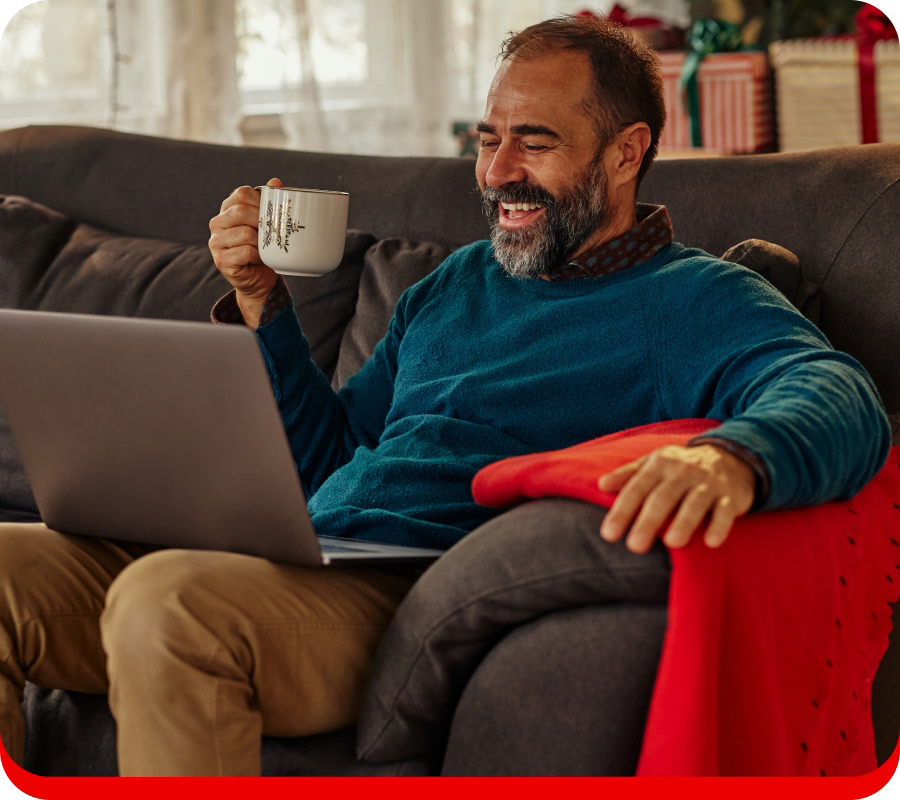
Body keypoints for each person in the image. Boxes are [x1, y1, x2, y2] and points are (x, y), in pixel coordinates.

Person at [0, 15, 890, 777]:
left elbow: (838, 392)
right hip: (310, 548)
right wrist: (261, 304)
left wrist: (735, 457)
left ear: (628, 154)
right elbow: (334, 458)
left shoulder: (691, 299)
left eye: (535, 143)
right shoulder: (457, 283)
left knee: (171, 602)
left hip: (397, 587)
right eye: (487, 137)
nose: (498, 170)